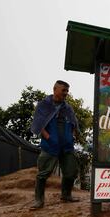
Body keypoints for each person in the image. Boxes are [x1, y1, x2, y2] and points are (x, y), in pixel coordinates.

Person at [30, 80, 79, 209]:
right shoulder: (44, 105)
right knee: (43, 174)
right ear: (55, 89)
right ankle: (39, 200)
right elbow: (39, 125)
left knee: (71, 172)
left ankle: (66, 195)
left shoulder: (67, 108)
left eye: (67, 91)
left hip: (67, 146)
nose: (66, 93)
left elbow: (74, 123)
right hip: (50, 145)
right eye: (63, 90)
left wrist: (72, 136)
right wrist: (48, 137)